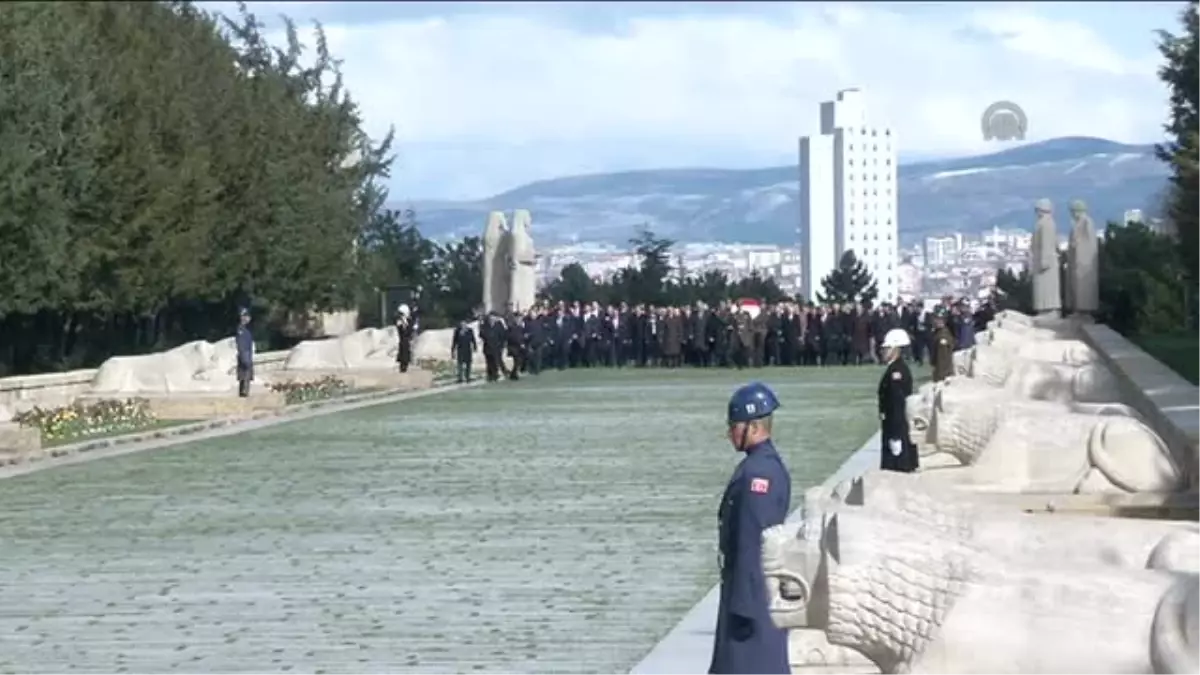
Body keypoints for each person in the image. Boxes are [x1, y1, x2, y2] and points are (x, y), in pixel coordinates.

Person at [709, 382, 792, 675]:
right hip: (748, 591)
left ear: (753, 426)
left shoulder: (759, 473)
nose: (730, 433)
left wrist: (744, 605)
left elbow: (754, 539)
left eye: (734, 426)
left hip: (752, 598)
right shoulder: (759, 465)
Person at [877, 328, 918, 473]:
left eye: (887, 348)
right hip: (893, 424)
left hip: (897, 426)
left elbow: (897, 404)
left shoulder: (897, 371)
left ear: (895, 349)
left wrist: (895, 435)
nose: (883, 352)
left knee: (897, 468)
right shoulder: (895, 368)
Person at [234, 307, 254, 398]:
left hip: (247, 354)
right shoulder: (241, 329)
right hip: (244, 354)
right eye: (245, 316)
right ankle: (244, 393)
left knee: (246, 376)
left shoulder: (247, 330)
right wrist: (243, 356)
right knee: (245, 375)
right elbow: (241, 343)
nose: (247, 318)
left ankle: (244, 392)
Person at [395, 304, 415, 373]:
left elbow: (410, 330)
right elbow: (400, 330)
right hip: (402, 340)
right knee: (402, 353)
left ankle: (405, 365)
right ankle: (402, 366)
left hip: (407, 340)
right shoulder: (399, 321)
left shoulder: (409, 320)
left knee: (406, 353)